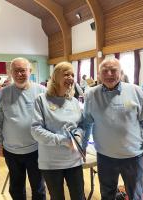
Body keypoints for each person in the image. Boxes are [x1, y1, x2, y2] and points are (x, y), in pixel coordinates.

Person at [83, 58, 143, 199]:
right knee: (107, 194)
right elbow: (86, 123)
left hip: (133, 156)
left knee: (135, 195)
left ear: (121, 73)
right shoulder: (91, 94)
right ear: (99, 75)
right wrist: (83, 147)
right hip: (105, 157)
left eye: (114, 70)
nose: (109, 74)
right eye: (105, 71)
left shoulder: (136, 91)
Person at [31, 61, 87, 200]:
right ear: (56, 77)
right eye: (66, 74)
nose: (70, 78)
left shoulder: (73, 101)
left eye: (72, 75)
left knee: (79, 196)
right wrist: (63, 141)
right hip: (51, 162)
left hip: (74, 160)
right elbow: (36, 130)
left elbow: (80, 124)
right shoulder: (41, 100)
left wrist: (79, 134)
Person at [0, 57, 46, 200]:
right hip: (11, 151)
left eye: (23, 70)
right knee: (16, 188)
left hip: (36, 150)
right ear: (11, 72)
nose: (19, 74)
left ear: (30, 71)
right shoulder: (2, 93)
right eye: (16, 71)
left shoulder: (42, 92)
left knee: (39, 188)